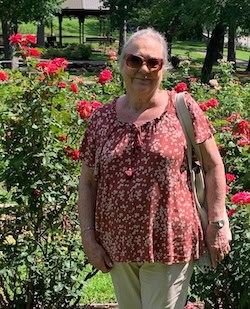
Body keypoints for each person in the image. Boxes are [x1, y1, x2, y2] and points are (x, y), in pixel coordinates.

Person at [78, 28, 230, 309]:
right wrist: (89, 237)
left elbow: (213, 165)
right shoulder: (101, 119)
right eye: (135, 60)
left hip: (170, 241)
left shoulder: (182, 108)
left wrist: (217, 222)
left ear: (164, 68)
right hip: (117, 243)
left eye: (153, 62)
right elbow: (87, 181)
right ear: (122, 63)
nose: (143, 69)